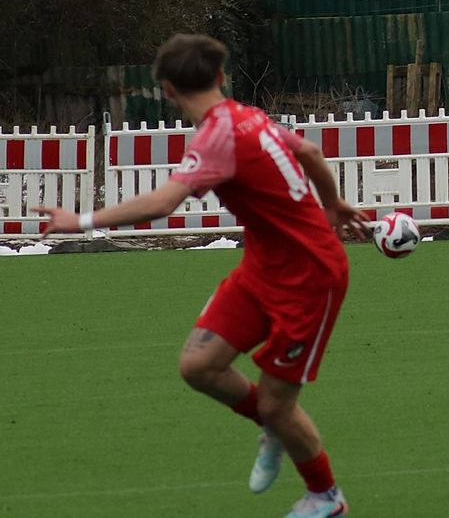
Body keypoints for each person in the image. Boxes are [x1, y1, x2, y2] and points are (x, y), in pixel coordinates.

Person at [35, 34, 365, 518]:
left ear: (167, 90)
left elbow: (165, 201)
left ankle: (326, 496)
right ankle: (273, 427)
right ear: (221, 77)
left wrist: (81, 220)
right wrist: (331, 202)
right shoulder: (247, 116)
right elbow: (311, 152)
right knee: (199, 366)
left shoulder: (216, 137)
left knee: (278, 405)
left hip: (310, 276)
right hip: (263, 267)